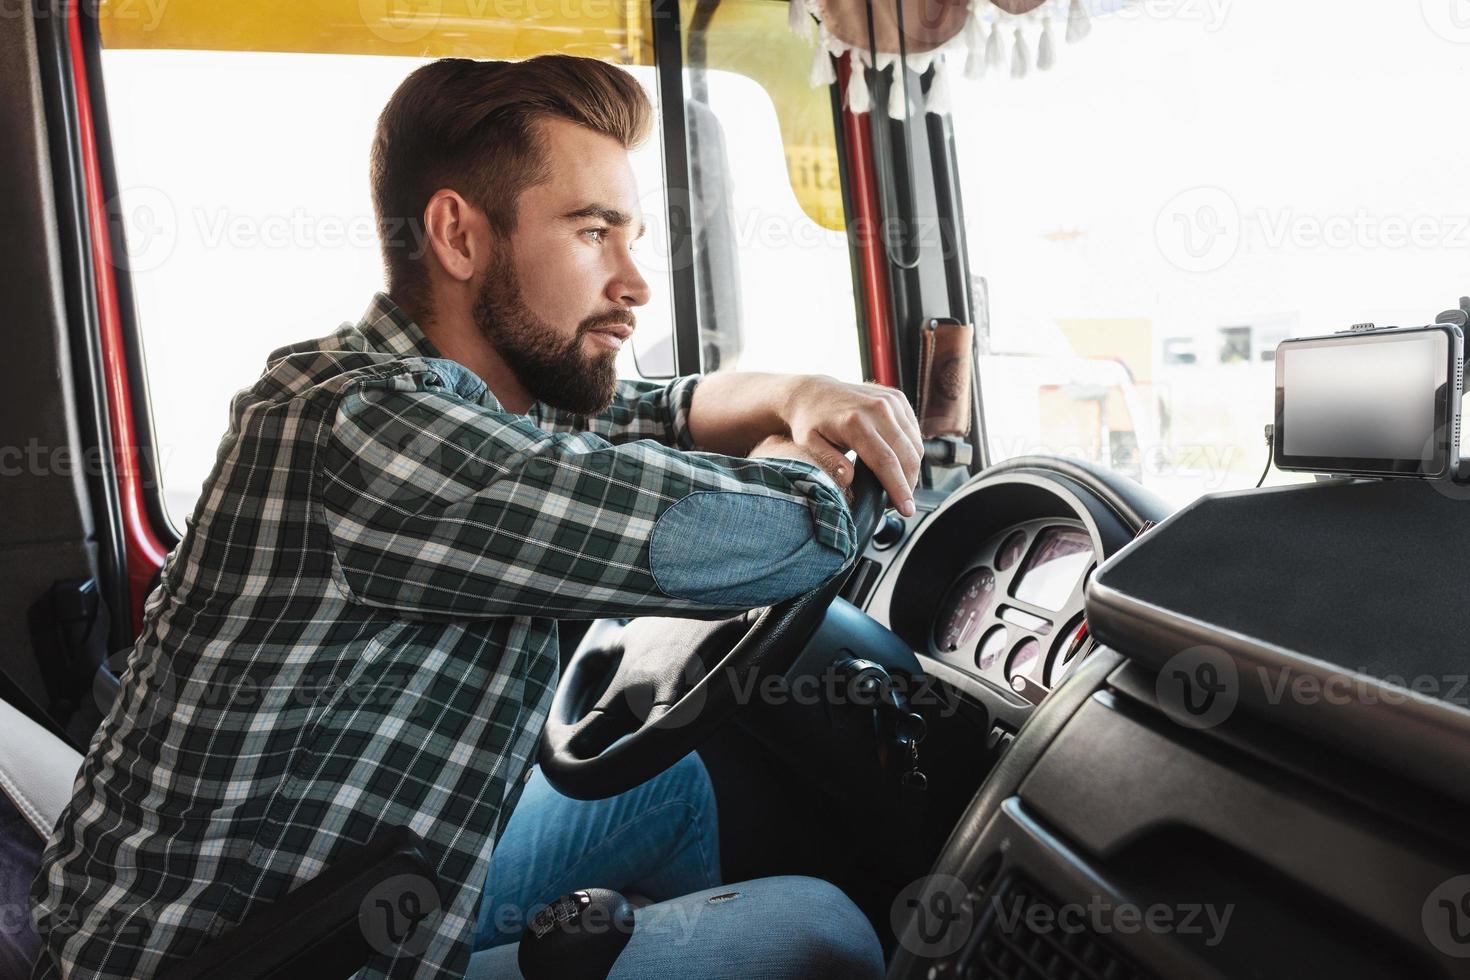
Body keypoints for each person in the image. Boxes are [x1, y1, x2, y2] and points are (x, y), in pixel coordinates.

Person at [29, 55, 922, 979]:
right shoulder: (373, 433)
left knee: (676, 791)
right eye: (593, 233)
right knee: (824, 931)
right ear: (458, 234)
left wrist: (802, 393)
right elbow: (775, 537)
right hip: (262, 955)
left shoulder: (445, 395)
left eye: (633, 236)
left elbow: (664, 409)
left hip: (338, 894)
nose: (635, 283)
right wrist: (818, 464)